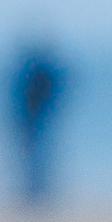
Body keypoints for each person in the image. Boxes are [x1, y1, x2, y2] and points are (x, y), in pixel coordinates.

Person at [9, 37, 67, 210]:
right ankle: (34, 194)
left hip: (38, 120)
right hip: (33, 120)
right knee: (32, 159)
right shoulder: (37, 73)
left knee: (38, 159)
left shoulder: (39, 74)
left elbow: (46, 95)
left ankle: (39, 194)